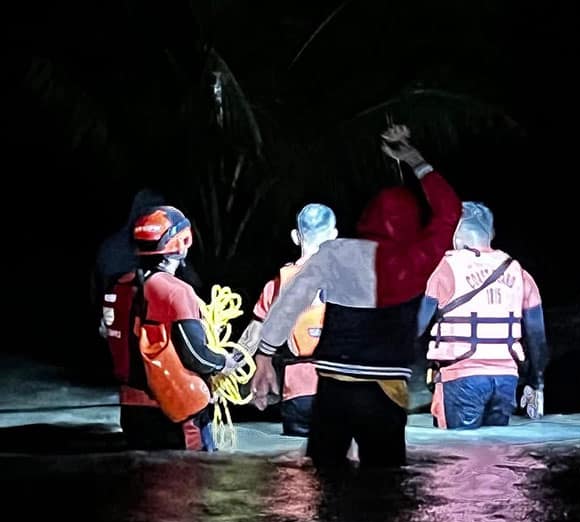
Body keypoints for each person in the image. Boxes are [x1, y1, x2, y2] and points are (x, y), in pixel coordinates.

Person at [249, 124, 461, 468]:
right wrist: (414, 159)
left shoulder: (335, 253)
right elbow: (450, 212)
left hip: (333, 389)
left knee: (324, 485)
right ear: (412, 223)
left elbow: (290, 301)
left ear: (367, 217)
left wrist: (265, 355)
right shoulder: (419, 257)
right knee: (386, 492)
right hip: (385, 392)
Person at [101, 206, 238, 451]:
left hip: (131, 409)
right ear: (183, 242)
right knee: (191, 482)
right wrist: (224, 362)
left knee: (146, 483)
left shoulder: (118, 288)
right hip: (176, 409)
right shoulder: (176, 291)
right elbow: (196, 356)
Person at [417, 201, 550, 429]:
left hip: (461, 377)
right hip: (506, 379)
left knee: (459, 455)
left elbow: (416, 326)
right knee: (495, 451)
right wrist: (536, 383)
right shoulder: (518, 271)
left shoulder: (447, 268)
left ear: (458, 232)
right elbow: (538, 337)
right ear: (491, 233)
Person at [238, 203, 339, 436]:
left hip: (297, 393)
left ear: (296, 237)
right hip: (340, 391)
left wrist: (225, 370)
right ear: (334, 237)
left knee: (295, 469)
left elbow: (253, 336)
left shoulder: (277, 284)